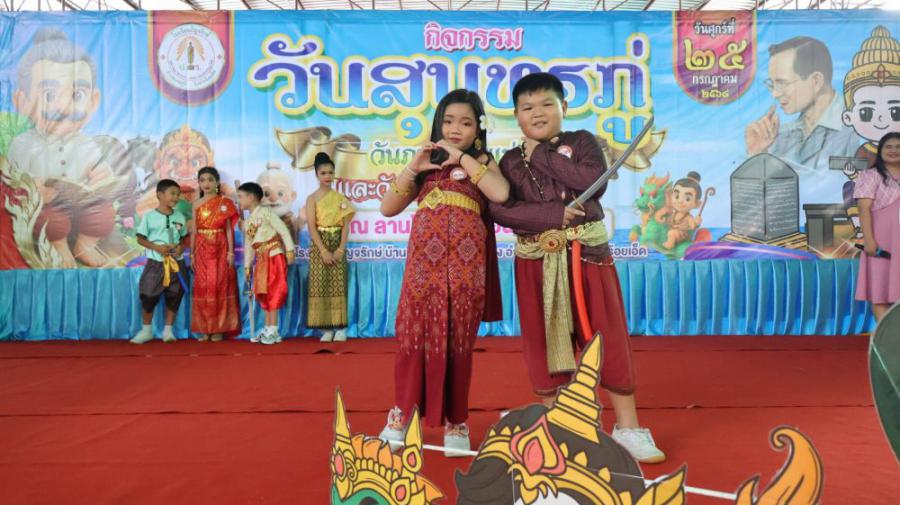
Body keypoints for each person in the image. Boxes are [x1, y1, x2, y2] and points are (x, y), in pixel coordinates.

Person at [489, 72, 665, 463]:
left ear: (564, 107)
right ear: (515, 115)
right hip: (535, 262)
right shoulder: (509, 161)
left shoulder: (583, 142)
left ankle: (628, 428)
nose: (537, 113)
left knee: (606, 336)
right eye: (527, 107)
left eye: (547, 104)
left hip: (587, 257)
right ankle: (558, 427)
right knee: (542, 342)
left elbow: (592, 182)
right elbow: (501, 209)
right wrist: (552, 214)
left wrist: (540, 154)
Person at [378, 89, 508, 455]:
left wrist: (463, 159)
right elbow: (387, 208)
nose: (455, 129)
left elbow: (500, 193)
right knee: (411, 342)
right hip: (422, 272)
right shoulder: (426, 163)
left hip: (466, 272)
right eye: (448, 121)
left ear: (478, 129)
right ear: (438, 123)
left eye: (465, 123)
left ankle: (456, 423)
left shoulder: (482, 161)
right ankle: (400, 419)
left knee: (458, 345)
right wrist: (413, 167)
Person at [7, 28, 116, 268]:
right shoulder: (23, 144)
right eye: (49, 95)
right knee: (51, 219)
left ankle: (85, 244)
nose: (64, 107)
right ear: (22, 102)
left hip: (81, 204)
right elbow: (14, 179)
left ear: (93, 102)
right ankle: (58, 246)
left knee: (104, 214)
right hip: (48, 205)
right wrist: (34, 188)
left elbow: (100, 169)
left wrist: (102, 177)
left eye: (77, 95)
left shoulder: (86, 143)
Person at [130, 179, 190, 344]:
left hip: (176, 263)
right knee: (149, 294)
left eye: (178, 194)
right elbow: (140, 238)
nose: (176, 197)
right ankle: (146, 331)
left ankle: (168, 332)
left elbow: (184, 238)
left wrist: (180, 247)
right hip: (156, 263)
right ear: (160, 195)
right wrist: (156, 247)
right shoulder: (149, 216)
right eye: (172, 193)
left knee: (175, 294)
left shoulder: (179, 216)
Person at [306, 153, 356, 342]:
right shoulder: (311, 199)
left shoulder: (340, 198)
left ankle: (340, 328)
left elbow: (345, 226)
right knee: (320, 286)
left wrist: (340, 249)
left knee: (338, 285)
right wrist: (323, 251)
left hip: (337, 244)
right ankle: (325, 329)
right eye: (323, 173)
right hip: (319, 245)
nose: (327, 176)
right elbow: (311, 227)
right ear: (317, 175)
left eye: (330, 172)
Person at [238, 181, 295, 345]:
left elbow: (283, 231)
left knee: (274, 291)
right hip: (261, 260)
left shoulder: (266, 212)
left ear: (251, 197)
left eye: (240, 197)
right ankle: (268, 328)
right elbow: (249, 245)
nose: (238, 201)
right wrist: (247, 266)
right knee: (264, 293)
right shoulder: (249, 221)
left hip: (273, 256)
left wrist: (289, 251)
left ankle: (273, 330)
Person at [190, 167, 241, 342]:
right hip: (201, 248)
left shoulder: (224, 203)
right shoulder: (196, 204)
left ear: (217, 182)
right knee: (203, 287)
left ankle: (219, 328)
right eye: (202, 180)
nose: (206, 183)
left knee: (219, 285)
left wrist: (231, 253)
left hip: (220, 247)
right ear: (199, 183)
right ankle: (205, 329)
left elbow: (229, 229)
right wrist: (192, 254)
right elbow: (194, 230)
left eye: (210, 180)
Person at [855, 131, 900, 323]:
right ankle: (885, 334)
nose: (894, 150)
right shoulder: (870, 176)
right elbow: (863, 209)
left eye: (898, 147)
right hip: (882, 240)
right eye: (888, 146)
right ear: (880, 151)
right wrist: (869, 241)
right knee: (880, 289)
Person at [653, 171, 704, 249]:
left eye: (687, 199)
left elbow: (692, 226)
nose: (680, 201)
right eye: (677, 196)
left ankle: (669, 246)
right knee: (666, 231)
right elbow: (668, 219)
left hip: (683, 235)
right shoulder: (674, 213)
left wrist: (697, 222)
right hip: (672, 231)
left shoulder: (688, 217)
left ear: (697, 204)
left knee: (672, 233)